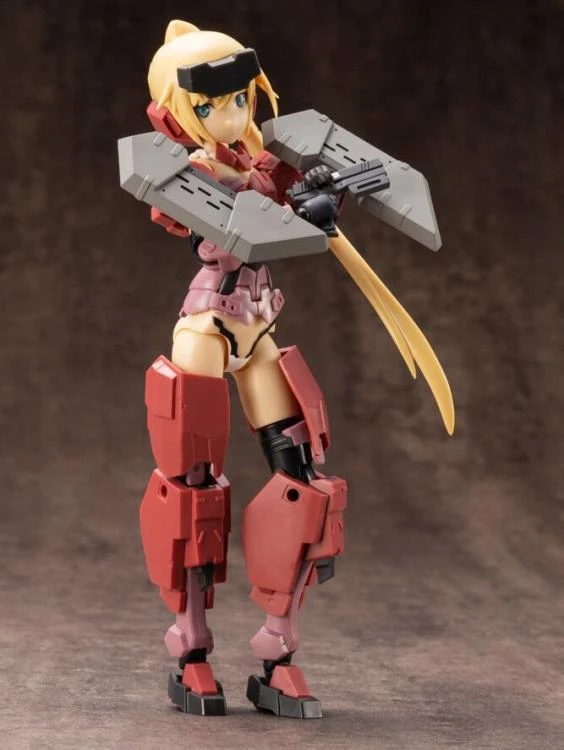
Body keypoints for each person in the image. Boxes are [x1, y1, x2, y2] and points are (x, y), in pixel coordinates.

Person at [136, 19, 454, 719]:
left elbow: (283, 198)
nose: (232, 114)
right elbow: (224, 230)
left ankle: (277, 649)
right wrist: (295, 209)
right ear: (176, 113)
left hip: (258, 330)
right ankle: (191, 646)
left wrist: (319, 191)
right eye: (212, 104)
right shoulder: (181, 173)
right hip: (207, 328)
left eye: (240, 98)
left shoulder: (257, 157)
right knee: (191, 488)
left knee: (306, 482)